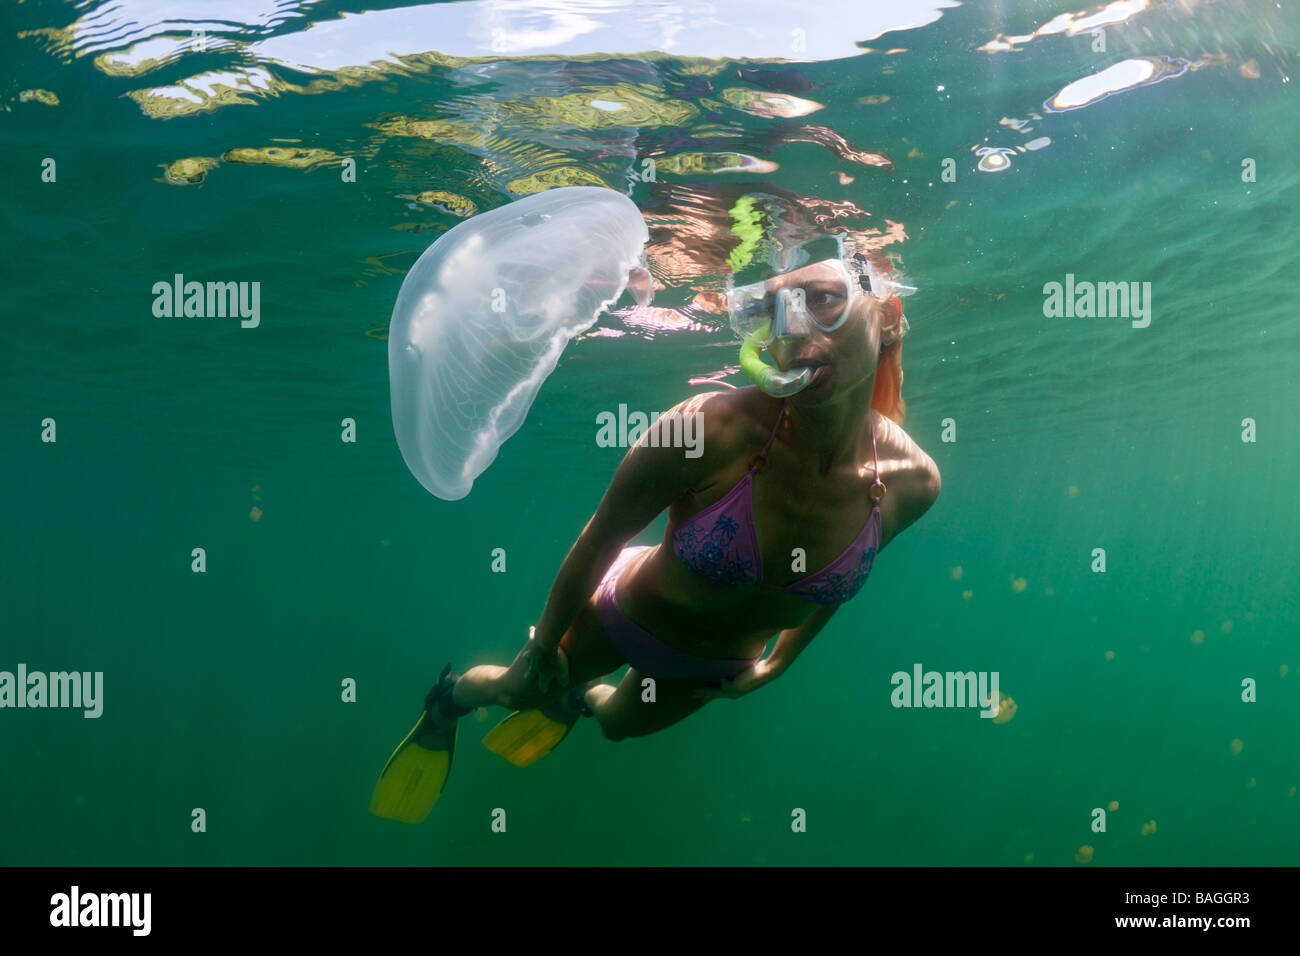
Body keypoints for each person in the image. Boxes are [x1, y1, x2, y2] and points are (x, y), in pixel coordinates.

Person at [370, 245, 941, 822]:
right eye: (772, 310)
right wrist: (544, 643)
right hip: (627, 613)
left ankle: (579, 698)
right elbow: (602, 537)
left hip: (720, 668)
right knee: (520, 691)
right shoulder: (705, 427)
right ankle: (449, 702)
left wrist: (779, 665)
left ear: (886, 316)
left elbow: (833, 589)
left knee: (618, 726)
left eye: (823, 300)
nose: (793, 330)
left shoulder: (913, 483)